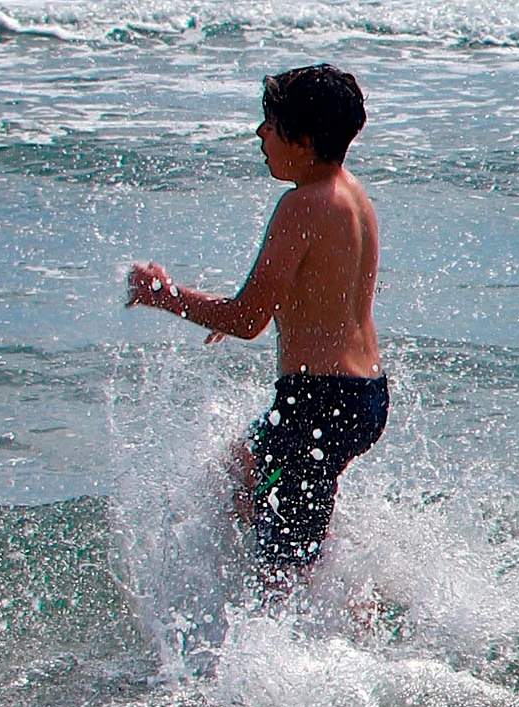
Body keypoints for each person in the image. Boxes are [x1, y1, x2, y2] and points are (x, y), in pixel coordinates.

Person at [126, 64, 388, 593]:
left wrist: (165, 296)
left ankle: (294, 651)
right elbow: (319, 294)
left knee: (281, 567)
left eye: (271, 123)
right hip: (364, 395)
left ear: (305, 138)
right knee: (243, 478)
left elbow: (247, 320)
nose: (260, 134)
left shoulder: (301, 205)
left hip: (318, 401)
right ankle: (341, 597)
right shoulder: (352, 196)